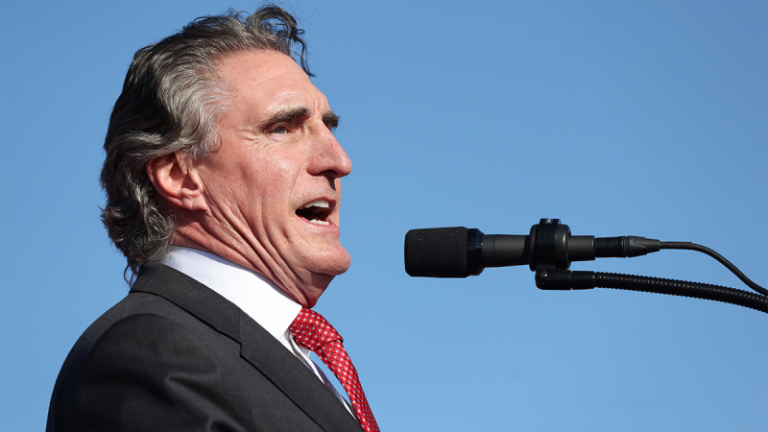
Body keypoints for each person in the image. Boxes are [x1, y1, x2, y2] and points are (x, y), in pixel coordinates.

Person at [46, 6, 378, 432]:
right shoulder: (152, 353)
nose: (340, 161)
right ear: (180, 176)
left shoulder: (293, 358)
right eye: (282, 128)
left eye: (328, 127)